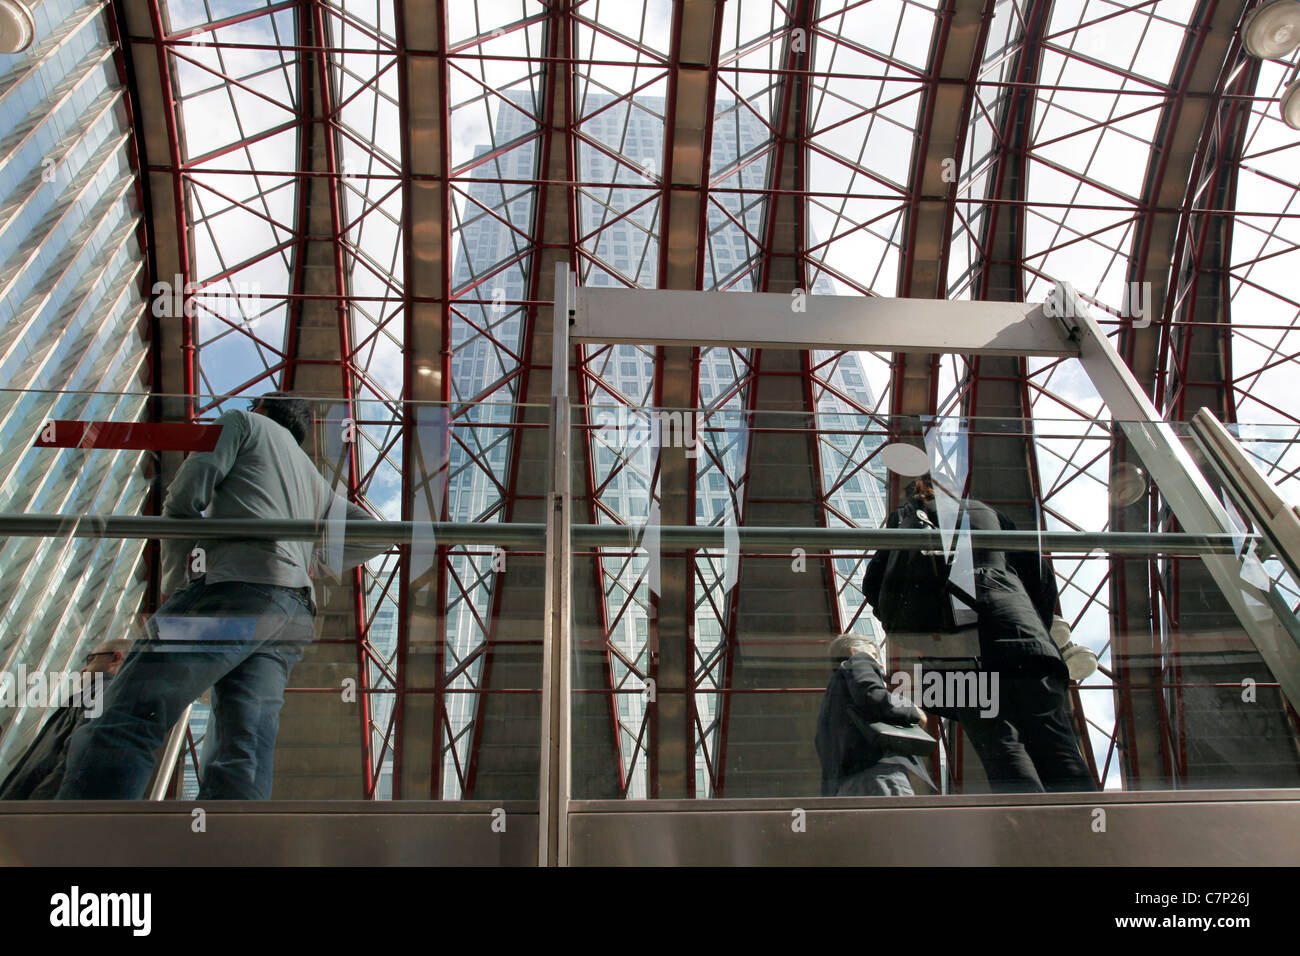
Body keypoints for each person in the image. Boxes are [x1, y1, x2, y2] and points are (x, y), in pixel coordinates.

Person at [57, 392, 382, 800]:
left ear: (260, 406)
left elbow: (183, 499)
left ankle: (77, 841)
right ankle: (228, 852)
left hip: (235, 587)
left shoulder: (240, 423)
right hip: (293, 612)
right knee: (243, 751)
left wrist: (175, 590)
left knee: (129, 712)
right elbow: (376, 533)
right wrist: (314, 557)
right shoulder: (315, 481)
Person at [863, 474, 1095, 793]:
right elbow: (1038, 573)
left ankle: (1035, 833)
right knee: (1053, 738)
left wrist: (912, 626)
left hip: (951, 649)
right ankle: (1091, 829)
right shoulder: (985, 512)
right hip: (1016, 631)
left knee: (1001, 751)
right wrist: (1033, 624)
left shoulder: (903, 521)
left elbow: (873, 584)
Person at [0, 639, 132, 799]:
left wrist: (36, 807)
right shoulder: (93, 696)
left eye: (91, 659)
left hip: (33, 809)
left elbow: (73, 758)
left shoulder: (102, 692)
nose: (84, 668)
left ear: (115, 658)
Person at [815, 633, 934, 796]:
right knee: (900, 820)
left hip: (843, 788)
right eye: (875, 656)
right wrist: (913, 711)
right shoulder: (856, 660)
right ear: (853, 651)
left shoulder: (829, 705)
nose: (879, 665)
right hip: (878, 776)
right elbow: (871, 694)